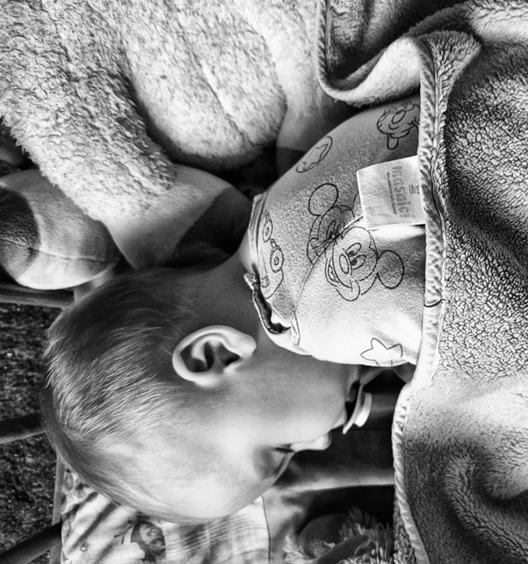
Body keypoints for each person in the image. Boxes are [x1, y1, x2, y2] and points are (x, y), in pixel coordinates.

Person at [41, 98, 425, 522]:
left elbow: (469, 328)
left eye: (281, 449)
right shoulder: (276, 217)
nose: (321, 442)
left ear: (217, 354)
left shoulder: (319, 314)